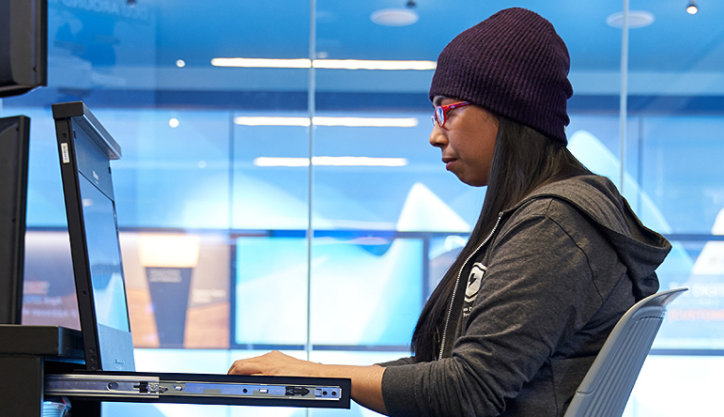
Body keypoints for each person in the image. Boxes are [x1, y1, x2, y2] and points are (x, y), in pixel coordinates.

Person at [227, 7, 671, 417]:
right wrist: (315, 373)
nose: (435, 135)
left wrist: (314, 373)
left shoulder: (554, 225)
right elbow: (447, 367)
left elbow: (468, 389)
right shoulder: (549, 218)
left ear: (507, 111)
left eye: (447, 110)